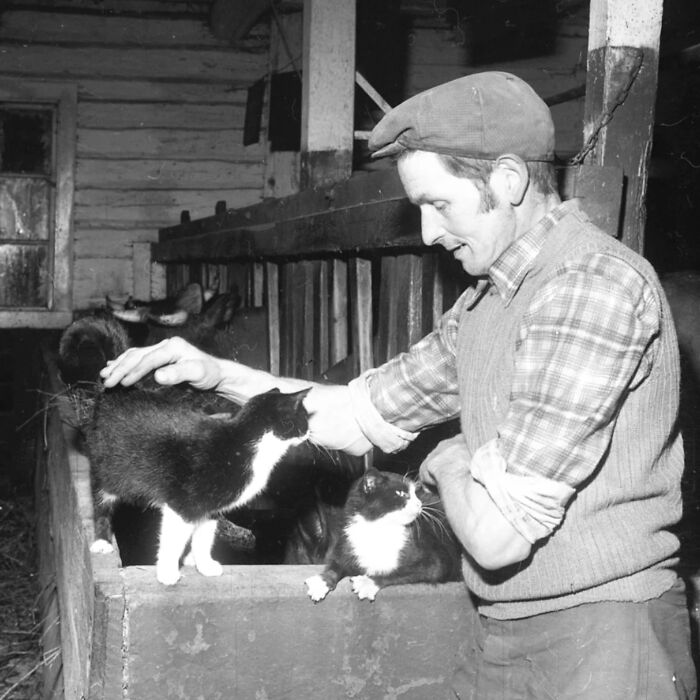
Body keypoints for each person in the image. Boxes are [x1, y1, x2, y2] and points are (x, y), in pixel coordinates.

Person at [100, 71, 696, 699]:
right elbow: (357, 413)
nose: (429, 234)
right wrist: (222, 375)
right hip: (502, 628)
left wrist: (450, 454)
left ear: (509, 180)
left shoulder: (589, 286)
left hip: (604, 640)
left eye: (438, 205)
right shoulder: (485, 306)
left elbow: (497, 536)